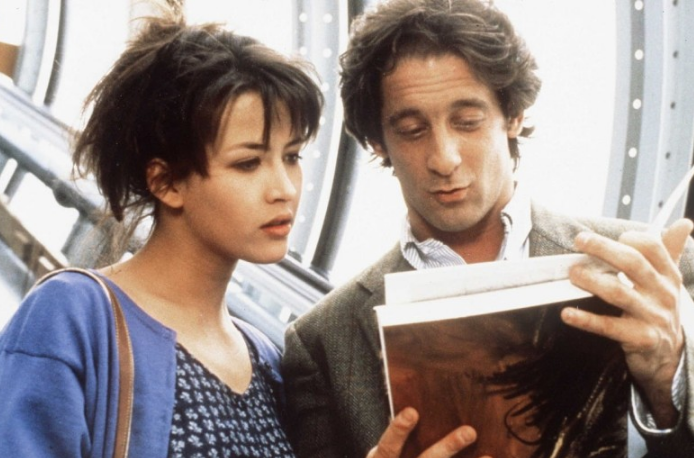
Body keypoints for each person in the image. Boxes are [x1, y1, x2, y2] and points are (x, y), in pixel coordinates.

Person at [281, 0, 694, 457]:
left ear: (513, 115)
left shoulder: (659, 270)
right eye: (413, 130)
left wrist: (669, 378)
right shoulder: (322, 342)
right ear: (378, 142)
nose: (445, 159)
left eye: (468, 122)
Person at [0, 6, 325, 457]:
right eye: (248, 163)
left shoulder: (267, 359)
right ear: (166, 182)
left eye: (292, 157)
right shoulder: (72, 315)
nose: (285, 189)